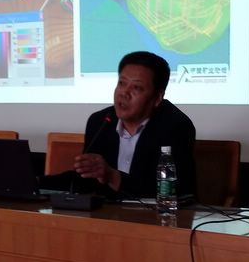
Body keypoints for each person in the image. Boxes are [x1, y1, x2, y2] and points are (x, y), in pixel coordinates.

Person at [68, 51, 197, 200]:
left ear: (157, 98)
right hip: (108, 213)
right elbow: (85, 180)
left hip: (157, 213)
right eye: (122, 83)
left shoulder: (176, 127)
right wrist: (44, 183)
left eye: (137, 87)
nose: (124, 93)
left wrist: (113, 177)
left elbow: (169, 190)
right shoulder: (100, 121)